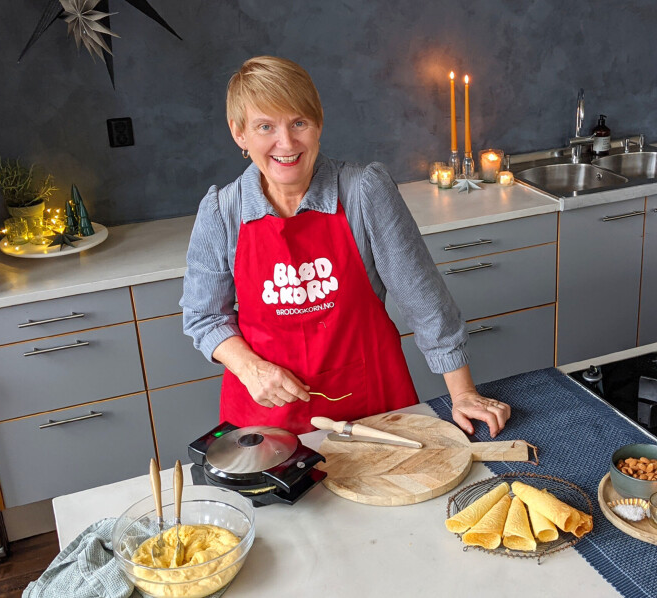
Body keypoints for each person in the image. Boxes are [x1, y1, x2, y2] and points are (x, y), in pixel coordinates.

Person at [181, 56, 511, 437]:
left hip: (372, 410)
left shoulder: (363, 192)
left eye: (299, 122)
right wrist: (250, 368)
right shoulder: (222, 213)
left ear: (318, 122)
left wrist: (464, 393)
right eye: (265, 126)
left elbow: (424, 301)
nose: (286, 143)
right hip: (267, 420)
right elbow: (204, 318)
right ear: (239, 133)